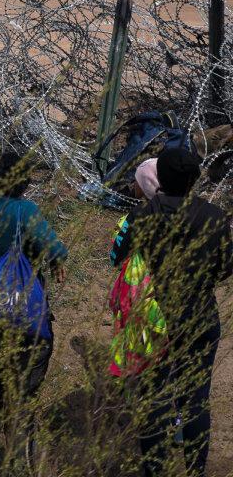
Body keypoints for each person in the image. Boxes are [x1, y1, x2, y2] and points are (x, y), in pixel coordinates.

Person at [109, 147, 233, 476]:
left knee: (154, 396)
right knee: (195, 399)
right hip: (199, 315)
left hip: (152, 318)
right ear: (195, 179)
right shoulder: (215, 218)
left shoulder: (143, 215)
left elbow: (119, 255)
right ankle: (195, 470)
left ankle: (154, 468)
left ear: (159, 177)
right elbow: (225, 267)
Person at [0, 149, 68, 476]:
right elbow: (57, 250)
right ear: (25, 182)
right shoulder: (27, 212)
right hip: (26, 327)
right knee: (20, 406)